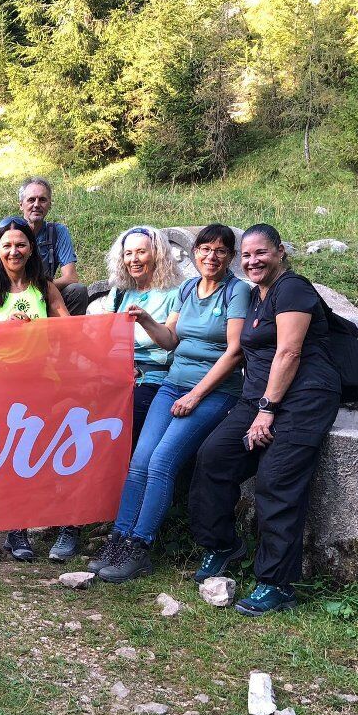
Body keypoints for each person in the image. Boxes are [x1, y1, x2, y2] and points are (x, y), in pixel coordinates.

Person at [189, 224, 341, 616]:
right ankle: (223, 545)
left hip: (302, 401)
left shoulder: (293, 288)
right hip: (257, 400)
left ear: (280, 253)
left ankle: (276, 583)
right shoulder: (256, 296)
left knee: (275, 485)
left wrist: (268, 409)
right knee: (212, 460)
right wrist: (259, 406)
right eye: (247, 255)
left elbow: (289, 352)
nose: (253, 261)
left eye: (261, 253)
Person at [92, 224, 251, 583]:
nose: (211, 257)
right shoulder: (188, 289)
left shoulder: (237, 291)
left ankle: (139, 547)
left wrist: (196, 395)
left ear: (229, 257)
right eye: (205, 249)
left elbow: (235, 351)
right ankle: (118, 539)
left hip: (214, 392)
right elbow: (170, 340)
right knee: (139, 461)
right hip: (171, 386)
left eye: (220, 251)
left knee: (162, 461)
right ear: (194, 253)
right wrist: (146, 319)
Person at [51, 225, 183, 562]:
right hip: (116, 379)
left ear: (157, 254)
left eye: (141, 252)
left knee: (104, 440)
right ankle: (71, 522)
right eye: (128, 253)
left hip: (152, 382)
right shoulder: (120, 294)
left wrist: (143, 327)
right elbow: (101, 341)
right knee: (74, 429)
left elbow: (170, 345)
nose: (134, 259)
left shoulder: (175, 294)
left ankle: (100, 526)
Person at [0, 219, 69, 563]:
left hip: (36, 382)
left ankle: (18, 527)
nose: (14, 250)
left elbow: (71, 330)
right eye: (7, 245)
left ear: (31, 249)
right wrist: (5, 333)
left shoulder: (45, 288)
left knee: (23, 456)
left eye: (21, 244)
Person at [0, 177, 89, 315]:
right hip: (4, 293)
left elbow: (71, 277)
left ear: (49, 204)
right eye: (31, 200)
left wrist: (36, 291)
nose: (37, 205)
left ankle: (63, 332)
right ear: (21, 204)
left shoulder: (57, 232)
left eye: (42, 200)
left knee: (77, 290)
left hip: (43, 291)